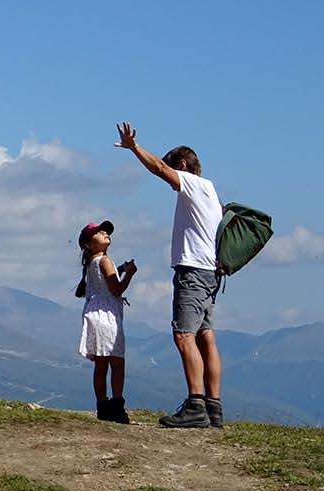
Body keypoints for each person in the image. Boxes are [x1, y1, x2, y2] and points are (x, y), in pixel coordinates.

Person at [115, 122, 224, 428]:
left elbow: (160, 169)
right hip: (210, 273)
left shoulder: (192, 184)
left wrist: (134, 148)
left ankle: (196, 405)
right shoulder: (211, 193)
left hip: (193, 272)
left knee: (184, 336)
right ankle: (213, 408)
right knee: (206, 337)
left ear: (183, 166)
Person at [76, 220, 137, 423]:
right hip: (108, 317)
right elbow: (116, 289)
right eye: (99, 232)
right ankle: (117, 404)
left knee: (101, 364)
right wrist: (129, 274)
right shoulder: (105, 261)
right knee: (117, 362)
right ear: (88, 244)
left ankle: (102, 405)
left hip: (94, 314)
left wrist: (120, 269)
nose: (104, 233)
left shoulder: (92, 263)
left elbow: (103, 282)